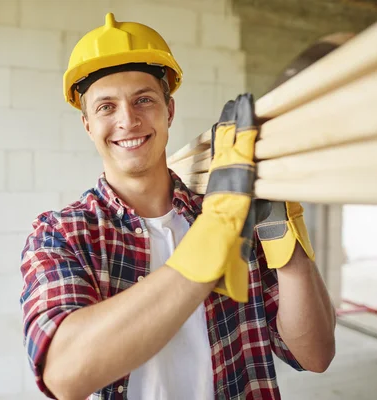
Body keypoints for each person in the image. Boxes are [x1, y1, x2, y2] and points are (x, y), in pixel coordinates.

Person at [20, 13, 338, 400]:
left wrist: (279, 228)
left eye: (144, 100)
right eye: (106, 107)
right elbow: (64, 375)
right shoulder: (61, 235)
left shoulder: (231, 213)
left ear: (169, 111)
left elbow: (316, 354)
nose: (128, 120)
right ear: (88, 124)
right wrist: (215, 234)